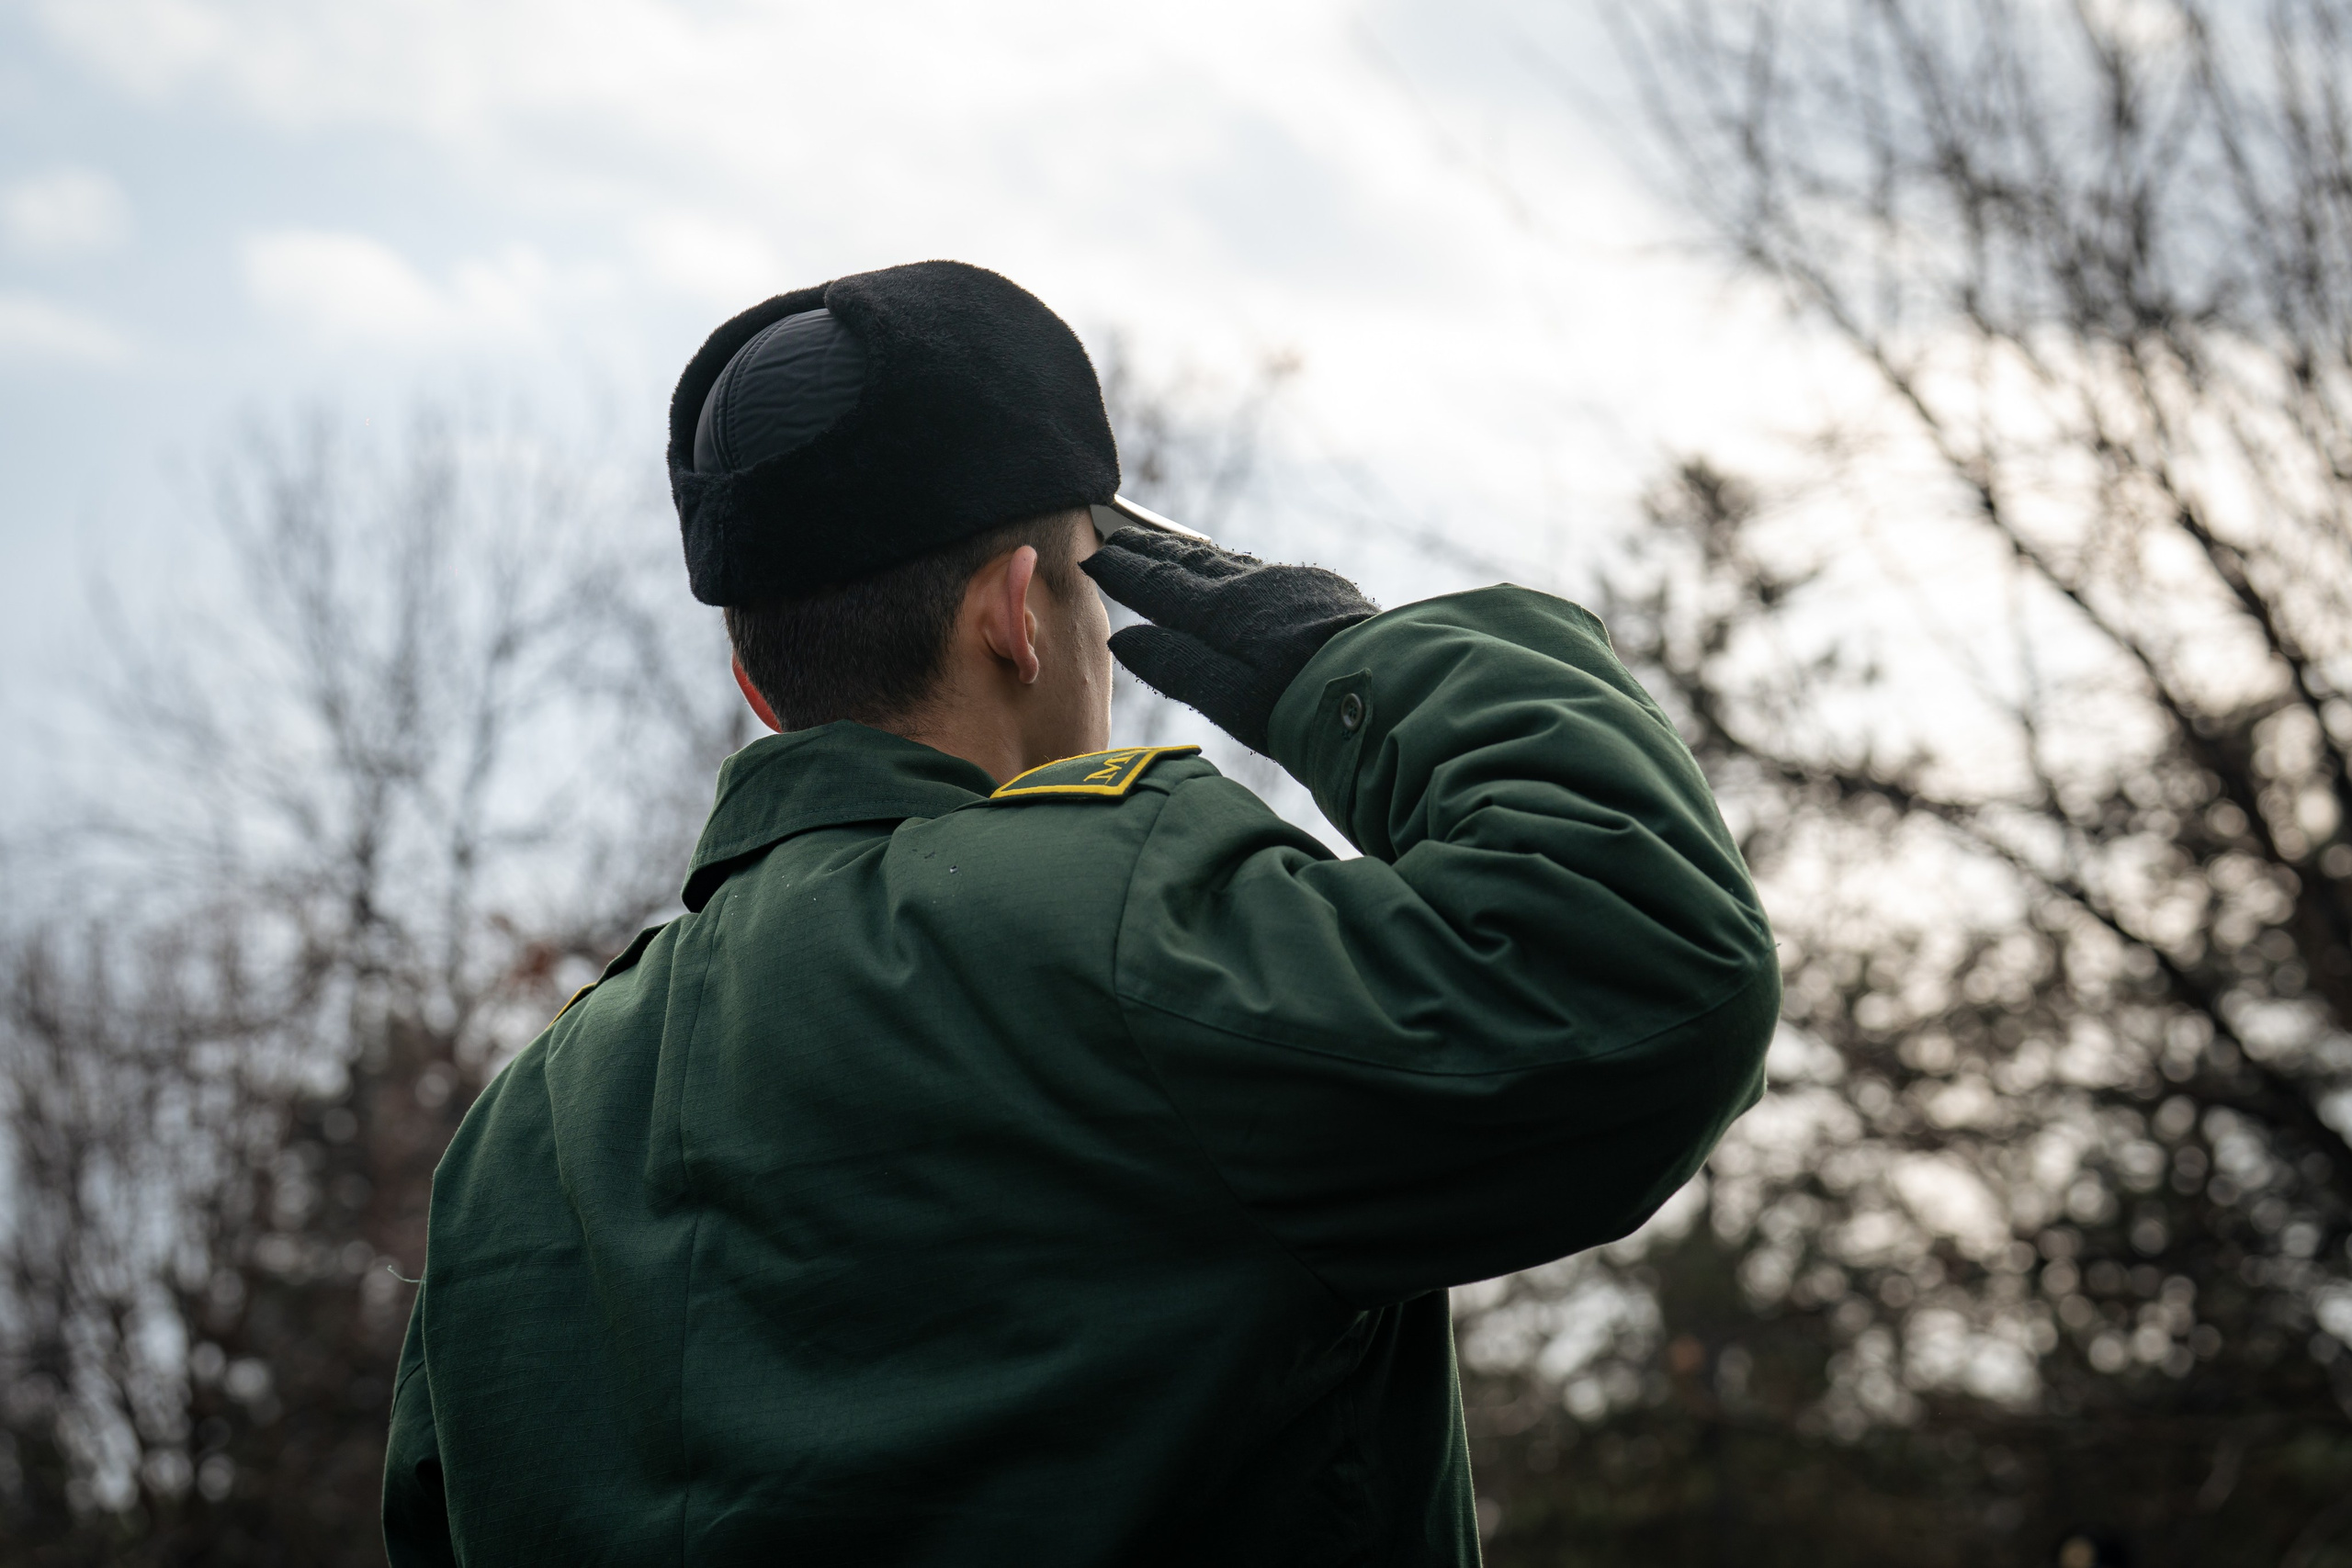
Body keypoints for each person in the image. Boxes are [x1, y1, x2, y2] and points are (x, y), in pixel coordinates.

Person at [380, 260, 1780, 1565]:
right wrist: (1350, 666)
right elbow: (1653, 965)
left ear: (758, 684)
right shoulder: (1117, 929)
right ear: (1019, 614)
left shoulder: (518, 1138)